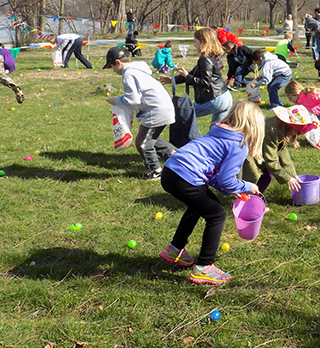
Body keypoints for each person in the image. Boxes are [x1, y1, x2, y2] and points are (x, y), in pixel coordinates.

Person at [160, 100, 264, 284]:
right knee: (217, 214)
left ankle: (174, 249)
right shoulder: (238, 144)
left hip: (171, 171)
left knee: (197, 207)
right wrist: (248, 186)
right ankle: (204, 266)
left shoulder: (219, 132)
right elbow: (226, 180)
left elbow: (214, 176)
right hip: (186, 176)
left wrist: (230, 190)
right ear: (255, 127)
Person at [104, 46, 176, 180]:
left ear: (118, 63)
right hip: (163, 108)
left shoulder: (128, 74)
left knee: (142, 142)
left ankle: (155, 171)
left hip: (156, 111)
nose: (113, 71)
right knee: (153, 139)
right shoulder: (137, 70)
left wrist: (116, 100)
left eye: (112, 67)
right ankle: (176, 158)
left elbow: (133, 99)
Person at [161, 28, 232, 124]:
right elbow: (192, 73)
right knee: (217, 132)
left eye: (195, 42)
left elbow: (205, 82)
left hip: (216, 99)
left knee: (182, 114)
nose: (194, 45)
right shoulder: (209, 56)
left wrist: (187, 77)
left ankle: (180, 138)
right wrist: (173, 79)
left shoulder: (205, 59)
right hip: (225, 97)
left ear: (203, 42)